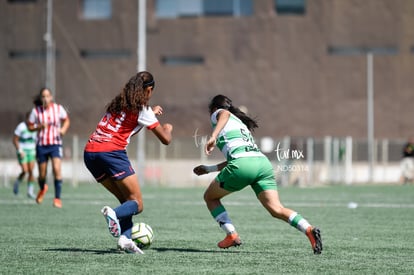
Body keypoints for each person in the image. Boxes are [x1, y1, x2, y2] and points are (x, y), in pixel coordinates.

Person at [193, 95, 322, 254]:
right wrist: (209, 169)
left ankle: (231, 235)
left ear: (213, 109)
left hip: (243, 165)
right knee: (277, 209)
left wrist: (213, 136)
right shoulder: (240, 125)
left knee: (210, 197)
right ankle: (309, 229)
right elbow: (238, 158)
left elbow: (224, 114)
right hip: (262, 164)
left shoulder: (220, 113)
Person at [83, 71, 173, 254]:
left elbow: (127, 130)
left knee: (126, 200)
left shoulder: (118, 104)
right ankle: (113, 214)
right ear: (148, 90)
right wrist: (167, 128)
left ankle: (125, 239)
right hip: (112, 153)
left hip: (91, 152)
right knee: (137, 204)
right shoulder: (143, 110)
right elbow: (166, 140)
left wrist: (149, 117)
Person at [28, 88, 70, 208]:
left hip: (55, 144)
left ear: (51, 97)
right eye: (43, 96)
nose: (45, 99)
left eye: (47, 96)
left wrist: (63, 130)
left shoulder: (58, 109)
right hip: (41, 145)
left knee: (57, 169)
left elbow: (66, 120)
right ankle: (42, 187)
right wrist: (39, 127)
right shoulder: (36, 111)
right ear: (41, 98)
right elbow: (30, 127)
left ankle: (57, 198)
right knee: (42, 175)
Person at [12, 111, 37, 199]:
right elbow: (15, 139)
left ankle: (30, 191)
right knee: (25, 170)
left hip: (32, 151)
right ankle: (17, 183)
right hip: (23, 151)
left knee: (31, 171)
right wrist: (19, 150)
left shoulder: (36, 127)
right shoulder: (21, 127)